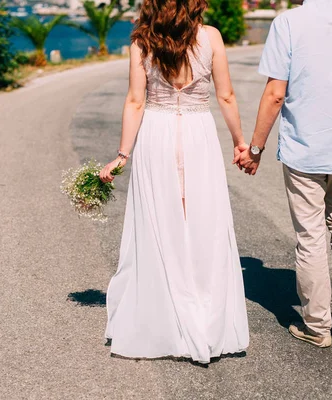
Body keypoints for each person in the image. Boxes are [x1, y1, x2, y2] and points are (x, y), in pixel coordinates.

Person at [99, 0, 250, 363]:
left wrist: (122, 154)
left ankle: (166, 306)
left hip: (158, 132)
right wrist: (240, 142)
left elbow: (136, 101)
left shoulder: (141, 43)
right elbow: (226, 95)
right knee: (201, 217)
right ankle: (201, 303)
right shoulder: (211, 37)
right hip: (198, 133)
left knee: (161, 218)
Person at [236, 0, 332, 347]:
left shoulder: (288, 22)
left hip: (303, 151)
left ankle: (317, 326)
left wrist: (255, 149)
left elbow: (276, 94)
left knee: (311, 235)